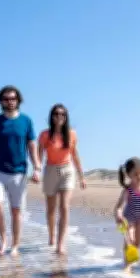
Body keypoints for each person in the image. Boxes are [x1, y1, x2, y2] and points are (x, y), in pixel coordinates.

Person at [0, 85, 41, 257]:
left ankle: (15, 245)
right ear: (1, 102)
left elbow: (32, 146)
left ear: (18, 100)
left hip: (19, 172)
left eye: (13, 98)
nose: (10, 102)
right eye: (6, 99)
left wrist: (37, 167)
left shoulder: (26, 121)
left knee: (16, 210)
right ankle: (3, 240)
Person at [37, 103, 86, 255]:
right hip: (50, 170)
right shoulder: (45, 135)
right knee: (51, 209)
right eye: (56, 114)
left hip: (67, 171)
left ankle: (61, 243)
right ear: (52, 116)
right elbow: (39, 155)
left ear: (66, 117)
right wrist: (37, 171)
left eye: (62, 114)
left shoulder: (72, 134)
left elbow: (75, 155)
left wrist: (81, 176)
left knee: (64, 206)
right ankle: (51, 235)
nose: (59, 116)